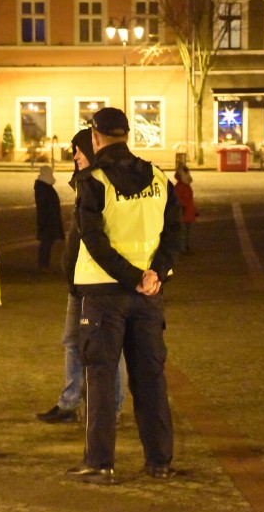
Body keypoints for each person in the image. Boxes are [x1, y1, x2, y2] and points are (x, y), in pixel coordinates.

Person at [66, 107, 183, 485]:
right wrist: (155, 275)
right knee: (150, 377)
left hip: (104, 293)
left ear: (96, 138)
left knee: (100, 377)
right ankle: (159, 460)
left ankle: (100, 462)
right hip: (149, 294)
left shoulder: (93, 180)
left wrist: (132, 277)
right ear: (128, 136)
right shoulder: (159, 177)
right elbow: (174, 234)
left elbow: (94, 241)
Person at [36, 128, 127, 425]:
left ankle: (111, 406)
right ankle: (70, 401)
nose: (74, 155)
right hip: (78, 281)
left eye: (79, 149)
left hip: (99, 282)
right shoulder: (84, 183)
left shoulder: (102, 183)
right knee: (72, 341)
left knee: (109, 346)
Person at [33, 165, 64, 272]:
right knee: (46, 243)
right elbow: (45, 205)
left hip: (48, 219)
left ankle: (44, 264)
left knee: (47, 243)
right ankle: (43, 265)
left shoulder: (44, 187)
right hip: (47, 220)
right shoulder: (43, 188)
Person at [172, 164, 198, 253]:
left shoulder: (183, 186)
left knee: (186, 231)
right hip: (184, 212)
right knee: (183, 231)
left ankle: (186, 247)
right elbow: (179, 200)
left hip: (187, 212)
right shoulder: (181, 186)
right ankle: (183, 248)